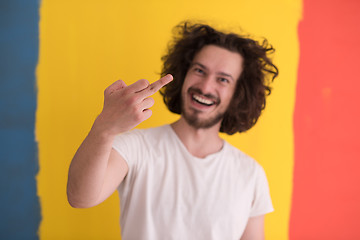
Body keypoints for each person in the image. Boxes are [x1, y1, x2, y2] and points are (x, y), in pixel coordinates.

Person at [67, 21, 278, 240]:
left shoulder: (250, 174)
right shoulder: (136, 147)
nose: (205, 87)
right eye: (199, 70)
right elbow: (80, 198)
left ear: (238, 93)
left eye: (223, 79)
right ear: (183, 73)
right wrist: (104, 128)